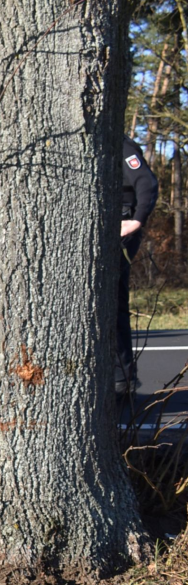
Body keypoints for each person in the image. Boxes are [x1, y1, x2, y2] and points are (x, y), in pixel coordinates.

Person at [118, 136, 159, 393]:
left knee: (114, 301)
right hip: (108, 226)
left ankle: (122, 376)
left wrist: (137, 219)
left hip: (121, 229)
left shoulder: (121, 144)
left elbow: (146, 182)